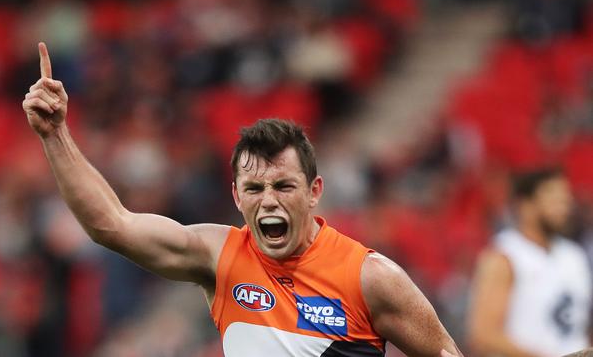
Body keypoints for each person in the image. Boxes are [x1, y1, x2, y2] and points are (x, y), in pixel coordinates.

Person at [23, 42, 462, 357]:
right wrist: (56, 134)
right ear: (236, 195)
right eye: (254, 189)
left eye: (284, 186)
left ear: (314, 192)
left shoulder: (371, 277)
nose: (268, 200)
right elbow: (111, 224)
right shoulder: (219, 255)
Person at [467, 167, 593, 356]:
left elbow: (582, 325)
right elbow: (484, 336)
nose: (563, 208)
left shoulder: (574, 256)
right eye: (554, 200)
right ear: (525, 205)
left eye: (565, 201)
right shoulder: (505, 256)